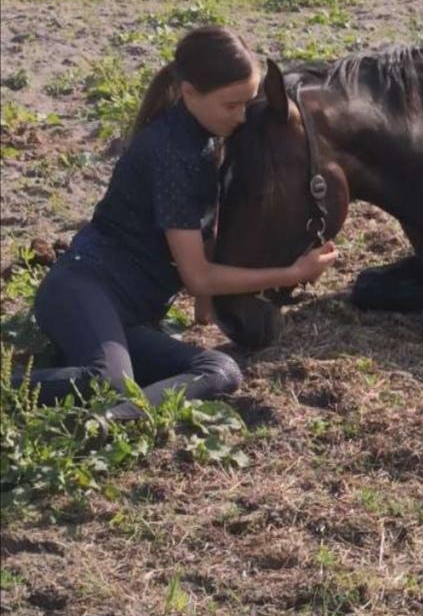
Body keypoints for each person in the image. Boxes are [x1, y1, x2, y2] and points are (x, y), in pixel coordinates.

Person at [26, 26, 337, 420]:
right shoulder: (172, 151)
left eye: (246, 103)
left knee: (220, 370)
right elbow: (199, 277)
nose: (241, 117)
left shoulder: (207, 138)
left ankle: (114, 420)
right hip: (83, 289)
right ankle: (103, 409)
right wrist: (291, 271)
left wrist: (205, 308)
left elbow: (205, 223)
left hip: (131, 316)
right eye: (231, 105)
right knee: (105, 380)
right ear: (190, 93)